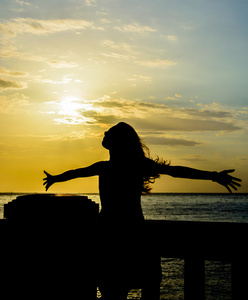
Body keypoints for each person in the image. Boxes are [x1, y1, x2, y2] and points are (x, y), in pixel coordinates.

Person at [43, 122, 242, 300]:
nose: (104, 133)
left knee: (115, 290)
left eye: (109, 132)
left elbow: (177, 171)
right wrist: (55, 178)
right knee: (118, 288)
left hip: (116, 235)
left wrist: (213, 176)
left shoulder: (117, 167)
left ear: (117, 141)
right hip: (121, 234)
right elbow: (76, 173)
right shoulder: (116, 166)